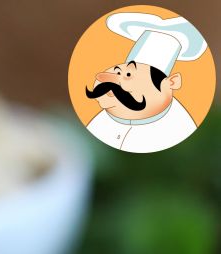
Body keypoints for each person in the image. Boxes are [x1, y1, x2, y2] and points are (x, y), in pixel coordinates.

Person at [85, 12, 209, 153]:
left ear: (171, 83)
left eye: (129, 75)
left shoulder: (177, 129)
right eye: (117, 71)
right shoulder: (100, 119)